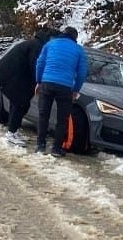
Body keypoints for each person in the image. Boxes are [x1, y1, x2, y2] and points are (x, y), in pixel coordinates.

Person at [0, 27, 58, 146]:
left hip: (11, 76)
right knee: (21, 103)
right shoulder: (37, 46)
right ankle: (11, 133)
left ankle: (13, 131)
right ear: (51, 39)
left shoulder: (36, 43)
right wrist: (40, 81)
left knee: (20, 103)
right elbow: (35, 65)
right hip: (7, 76)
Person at [34, 26, 88, 157]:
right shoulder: (78, 50)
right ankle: (56, 149)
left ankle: (40, 146)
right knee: (62, 119)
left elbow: (39, 64)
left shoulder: (50, 44)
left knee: (43, 115)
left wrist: (38, 81)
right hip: (65, 87)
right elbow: (82, 74)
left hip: (47, 82)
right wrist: (75, 90)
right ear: (75, 38)